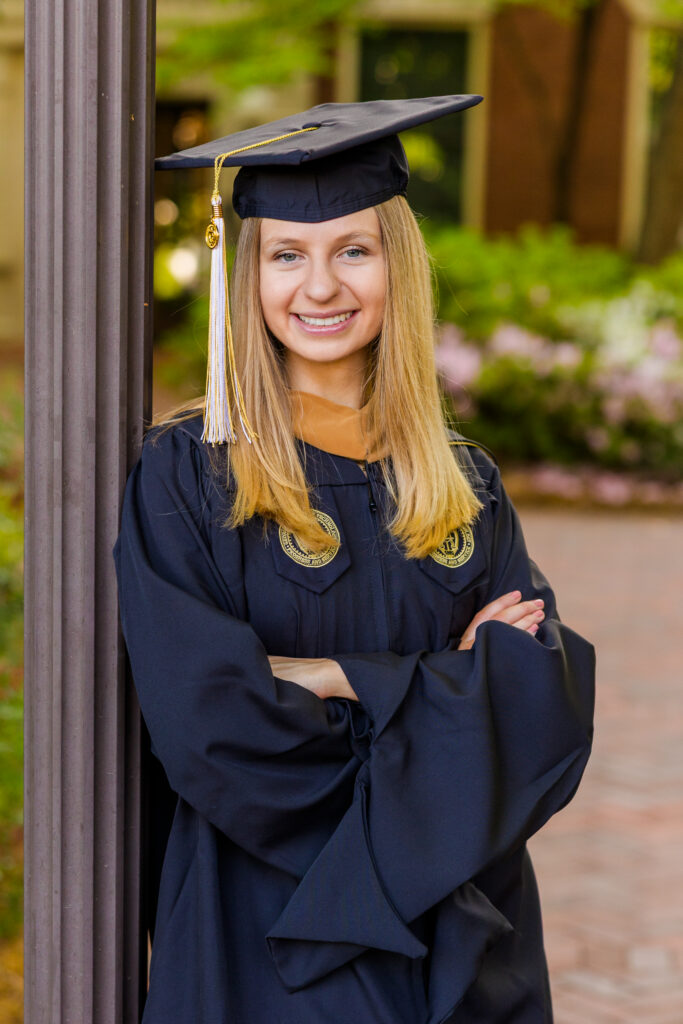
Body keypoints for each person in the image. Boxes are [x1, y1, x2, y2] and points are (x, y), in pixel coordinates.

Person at [114, 96, 595, 1023]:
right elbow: (211, 721)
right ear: (247, 274)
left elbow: (536, 703)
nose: (321, 286)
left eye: (354, 251)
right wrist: (441, 693)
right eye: (288, 254)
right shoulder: (190, 476)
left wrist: (336, 677)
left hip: (459, 924)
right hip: (272, 927)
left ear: (396, 268)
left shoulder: (463, 483)